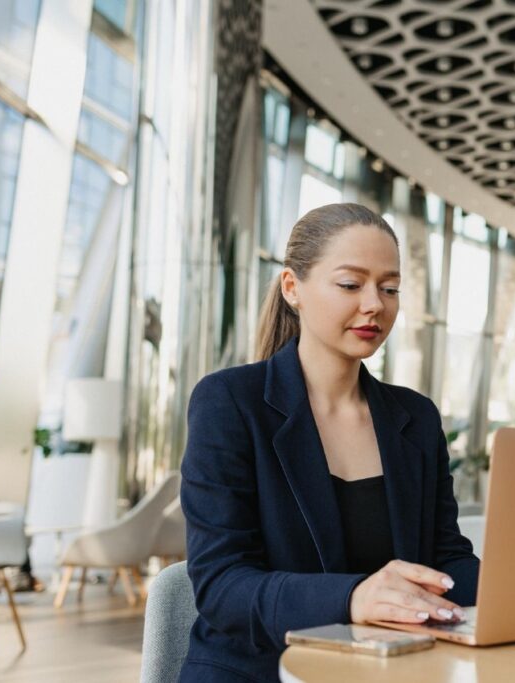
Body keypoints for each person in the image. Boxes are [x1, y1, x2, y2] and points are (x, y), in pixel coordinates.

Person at [179, 203, 479, 682]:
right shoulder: (229, 403)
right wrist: (354, 597)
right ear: (292, 288)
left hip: (391, 672)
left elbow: (445, 561)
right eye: (350, 284)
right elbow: (222, 586)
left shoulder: (415, 418)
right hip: (260, 673)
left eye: (390, 288)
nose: (374, 305)